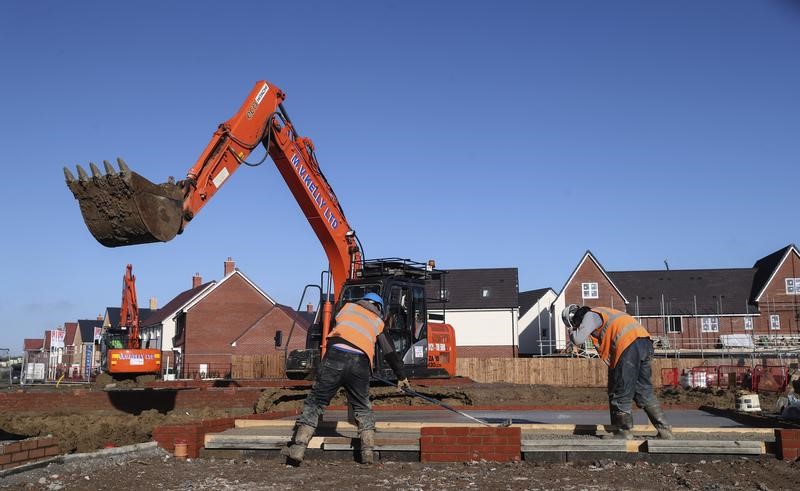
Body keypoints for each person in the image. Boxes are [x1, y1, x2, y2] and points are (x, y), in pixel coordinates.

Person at [282, 292, 411, 464]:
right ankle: (367, 453)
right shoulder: (378, 322)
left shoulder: (346, 308)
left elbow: (341, 330)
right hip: (360, 364)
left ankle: (298, 447)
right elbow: (389, 352)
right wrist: (401, 376)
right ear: (379, 307)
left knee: (316, 402)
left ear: (362, 301)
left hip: (334, 358)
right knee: (362, 407)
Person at [562, 304, 673, 440]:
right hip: (645, 342)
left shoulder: (590, 316)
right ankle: (665, 431)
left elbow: (578, 339)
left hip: (627, 345)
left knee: (621, 390)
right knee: (644, 391)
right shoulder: (606, 312)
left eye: (577, 324)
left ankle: (623, 432)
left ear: (575, 319)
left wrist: (571, 331)